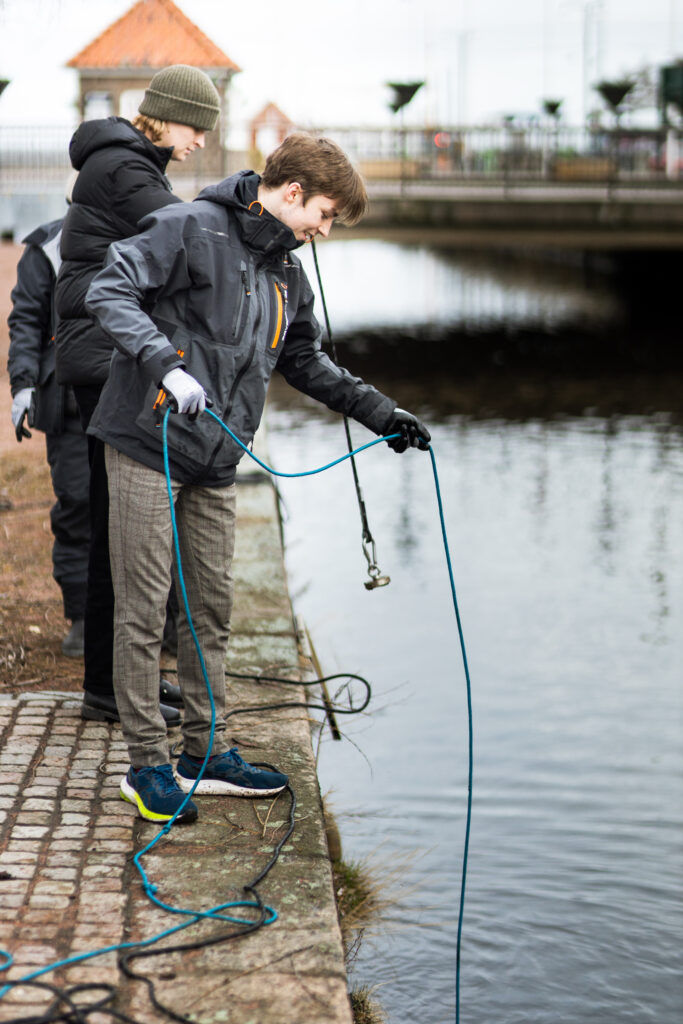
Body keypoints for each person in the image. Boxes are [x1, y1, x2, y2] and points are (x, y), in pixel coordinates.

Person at [84, 132, 431, 825]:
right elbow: (108, 288)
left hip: (216, 460)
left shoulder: (287, 273)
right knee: (143, 612)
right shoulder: (189, 227)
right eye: (324, 215)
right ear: (293, 193)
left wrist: (380, 413)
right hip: (146, 442)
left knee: (210, 611)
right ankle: (147, 767)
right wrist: (164, 365)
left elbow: (306, 361)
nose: (324, 230)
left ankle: (205, 754)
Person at [55, 64, 222, 725]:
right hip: (104, 359)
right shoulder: (124, 169)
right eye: (197, 128)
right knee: (117, 530)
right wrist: (247, 205)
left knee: (117, 527)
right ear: (167, 115)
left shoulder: (128, 162)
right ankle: (109, 686)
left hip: (106, 355)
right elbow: (191, 234)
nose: (201, 142)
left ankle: (120, 678)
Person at [7, 216, 89, 657]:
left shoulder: (143, 229)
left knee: (143, 514)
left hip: (129, 404)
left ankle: (162, 618)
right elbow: (26, 320)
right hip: (69, 407)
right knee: (76, 504)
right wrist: (23, 383)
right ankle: (83, 615)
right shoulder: (47, 247)